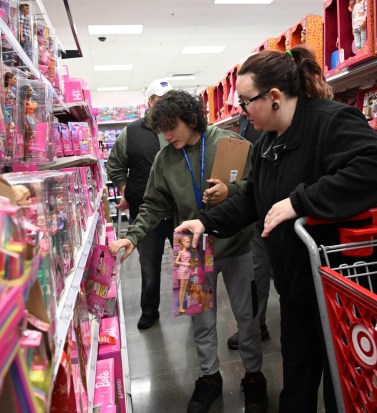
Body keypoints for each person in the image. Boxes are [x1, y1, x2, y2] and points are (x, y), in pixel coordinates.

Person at [175, 47, 377, 413]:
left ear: (275, 97)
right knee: (297, 376)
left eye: (247, 102)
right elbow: (252, 198)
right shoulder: (268, 141)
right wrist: (205, 222)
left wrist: (301, 201)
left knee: (340, 383)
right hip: (298, 285)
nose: (242, 111)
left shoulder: (331, 122)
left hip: (341, 288)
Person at [108, 90, 267, 413]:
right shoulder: (164, 159)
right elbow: (153, 205)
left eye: (172, 127)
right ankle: (209, 377)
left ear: (191, 119)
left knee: (248, 318)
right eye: (161, 129)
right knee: (201, 320)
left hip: (237, 244)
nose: (166, 135)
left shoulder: (232, 145)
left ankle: (254, 377)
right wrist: (132, 237)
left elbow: (258, 187)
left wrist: (231, 190)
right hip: (191, 250)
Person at [106, 79, 174, 330]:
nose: (164, 104)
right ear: (150, 102)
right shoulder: (131, 132)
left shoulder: (178, 128)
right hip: (146, 212)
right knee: (149, 264)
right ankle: (149, 310)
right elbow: (114, 164)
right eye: (160, 99)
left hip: (179, 211)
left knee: (186, 262)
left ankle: (193, 307)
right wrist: (128, 190)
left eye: (168, 99)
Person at [226, 114, 271, 350]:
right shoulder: (248, 120)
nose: (244, 106)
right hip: (258, 214)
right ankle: (257, 326)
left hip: (285, 216)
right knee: (257, 274)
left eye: (247, 100)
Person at [175, 234, 192, 313]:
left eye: (189, 242)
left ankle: (183, 305)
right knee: (182, 289)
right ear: (183, 242)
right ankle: (180, 306)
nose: (189, 243)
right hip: (182, 271)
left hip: (187, 271)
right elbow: (176, 261)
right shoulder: (181, 252)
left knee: (185, 289)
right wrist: (185, 264)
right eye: (187, 242)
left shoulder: (188, 252)